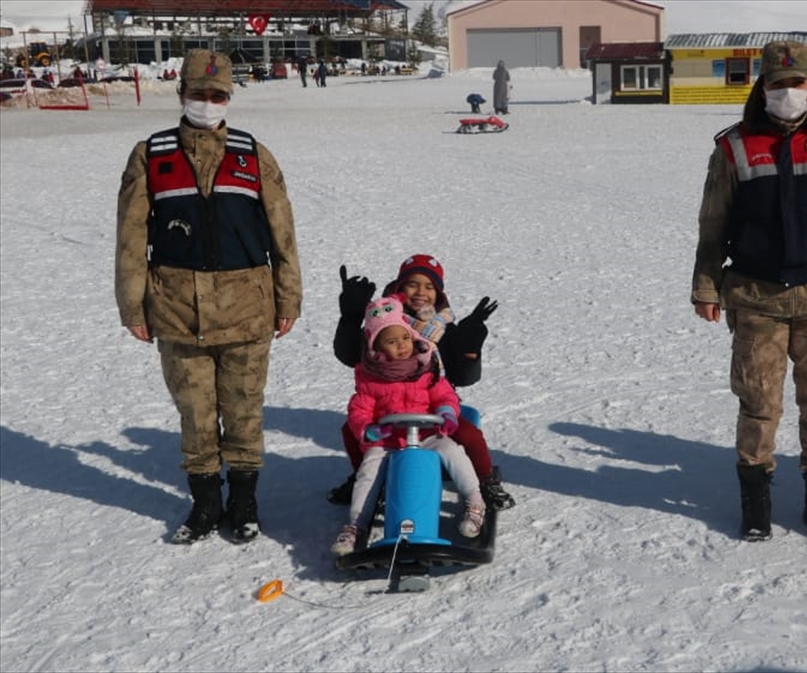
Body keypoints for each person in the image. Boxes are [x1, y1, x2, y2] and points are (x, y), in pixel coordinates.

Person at [115, 49, 303, 545]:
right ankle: (205, 503)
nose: (208, 103)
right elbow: (131, 237)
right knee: (196, 414)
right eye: (199, 93)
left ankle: (243, 502)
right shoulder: (150, 155)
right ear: (181, 94)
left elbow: (283, 235)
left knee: (243, 409)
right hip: (178, 309)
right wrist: (133, 305)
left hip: (247, 307)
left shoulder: (254, 155)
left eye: (217, 96)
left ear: (228, 99)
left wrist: (288, 298)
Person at [691, 40, 807, 544]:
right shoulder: (734, 146)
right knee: (758, 401)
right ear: (763, 88)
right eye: (778, 84)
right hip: (756, 297)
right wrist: (706, 285)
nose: (788, 92)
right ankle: (756, 504)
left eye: (797, 82)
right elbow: (713, 224)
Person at [330, 255, 515, 510]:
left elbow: (463, 377)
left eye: (429, 287)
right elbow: (350, 355)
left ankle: (486, 481)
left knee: (469, 434)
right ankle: (364, 478)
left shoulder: (444, 329)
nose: (421, 292)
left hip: (433, 405)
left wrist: (469, 349)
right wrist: (349, 321)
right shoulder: (382, 325)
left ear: (438, 294)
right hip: (386, 406)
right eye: (412, 284)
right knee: (350, 430)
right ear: (399, 287)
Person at [332, 298, 485, 555]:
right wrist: (369, 429)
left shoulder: (425, 368)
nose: (402, 345)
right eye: (392, 342)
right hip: (388, 439)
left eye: (404, 338)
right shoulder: (370, 378)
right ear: (376, 347)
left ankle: (474, 500)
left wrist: (446, 413)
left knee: (453, 451)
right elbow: (359, 410)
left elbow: (444, 396)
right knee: (369, 470)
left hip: (428, 434)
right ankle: (356, 525)